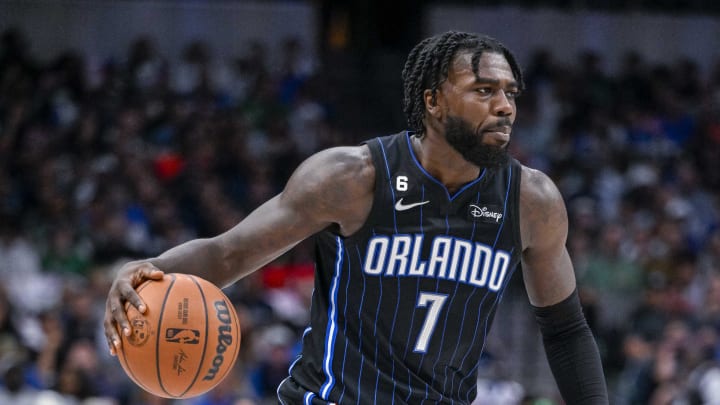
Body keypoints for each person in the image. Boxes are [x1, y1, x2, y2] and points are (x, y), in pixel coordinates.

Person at [104, 31, 608, 404]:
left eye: (510, 93)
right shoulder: (352, 178)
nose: (504, 106)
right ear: (432, 101)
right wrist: (151, 267)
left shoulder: (531, 200)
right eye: (483, 90)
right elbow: (228, 252)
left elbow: (565, 330)